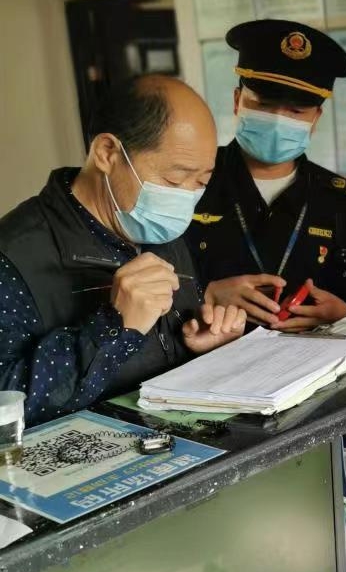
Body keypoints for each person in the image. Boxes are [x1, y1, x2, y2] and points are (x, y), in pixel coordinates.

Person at [0, 76, 246, 425]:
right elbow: (6, 404)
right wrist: (115, 327)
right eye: (175, 180)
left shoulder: (160, 230)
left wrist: (205, 350)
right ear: (107, 153)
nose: (186, 198)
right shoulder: (14, 258)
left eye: (201, 181)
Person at [187, 20, 346, 330]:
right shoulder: (188, 181)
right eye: (264, 104)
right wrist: (206, 293)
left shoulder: (343, 201)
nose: (278, 121)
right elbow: (148, 282)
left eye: (296, 112)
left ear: (315, 118)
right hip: (209, 351)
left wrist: (344, 311)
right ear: (237, 101)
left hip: (315, 356)